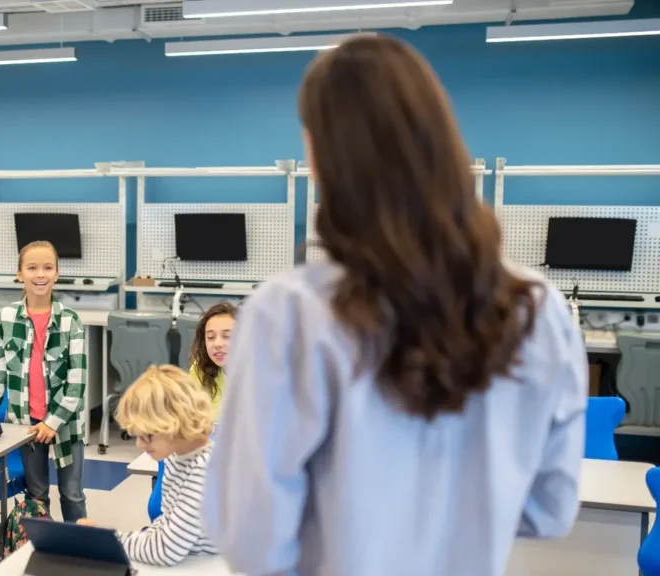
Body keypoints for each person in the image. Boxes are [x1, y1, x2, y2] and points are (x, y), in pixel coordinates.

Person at [203, 35, 587, 576]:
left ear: (322, 156)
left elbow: (252, 542)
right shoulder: (536, 310)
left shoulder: (291, 313)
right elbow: (550, 510)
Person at [0, 240, 88, 521]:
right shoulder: (5, 318)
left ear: (57, 274)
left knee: (72, 494)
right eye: (32, 268)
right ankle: (43, 545)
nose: (40, 274)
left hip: (65, 424)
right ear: (20, 274)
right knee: (36, 496)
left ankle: (79, 547)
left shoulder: (71, 321)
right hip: (26, 426)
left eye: (47, 268)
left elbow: (76, 383)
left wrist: (52, 422)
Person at [79, 365, 217, 566]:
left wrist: (106, 542)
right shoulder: (176, 457)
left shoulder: (205, 471)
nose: (139, 445)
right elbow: (166, 523)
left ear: (174, 423)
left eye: (147, 435)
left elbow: (167, 551)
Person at [189, 302, 237, 419]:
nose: (217, 344)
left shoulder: (262, 374)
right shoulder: (199, 370)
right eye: (211, 337)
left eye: (227, 336)